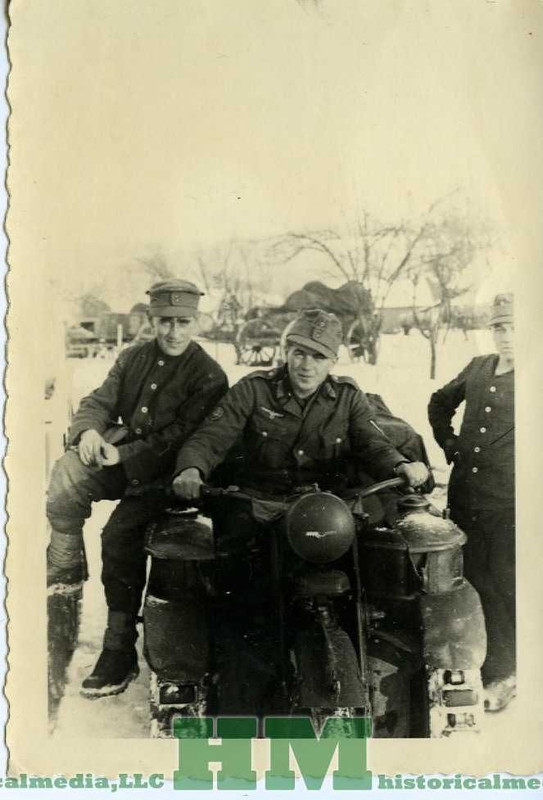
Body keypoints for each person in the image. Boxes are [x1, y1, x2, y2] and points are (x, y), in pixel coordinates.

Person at [46, 279, 228, 697]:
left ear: (196, 322)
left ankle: (119, 646)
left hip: (168, 477)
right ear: (151, 320)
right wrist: (89, 432)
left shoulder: (209, 376)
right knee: (68, 472)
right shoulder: (132, 358)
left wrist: (122, 455)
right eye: (164, 321)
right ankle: (65, 561)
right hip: (123, 459)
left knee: (119, 537)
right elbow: (100, 400)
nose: (173, 332)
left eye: (183, 322)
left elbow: (181, 436)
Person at [428, 293, 515, 712]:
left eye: (517, 326)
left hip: (512, 507)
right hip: (466, 499)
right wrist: (449, 442)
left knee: (504, 586)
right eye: (500, 327)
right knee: (466, 582)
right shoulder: (480, 367)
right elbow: (439, 402)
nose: (508, 336)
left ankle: (505, 673)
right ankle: (468, 664)